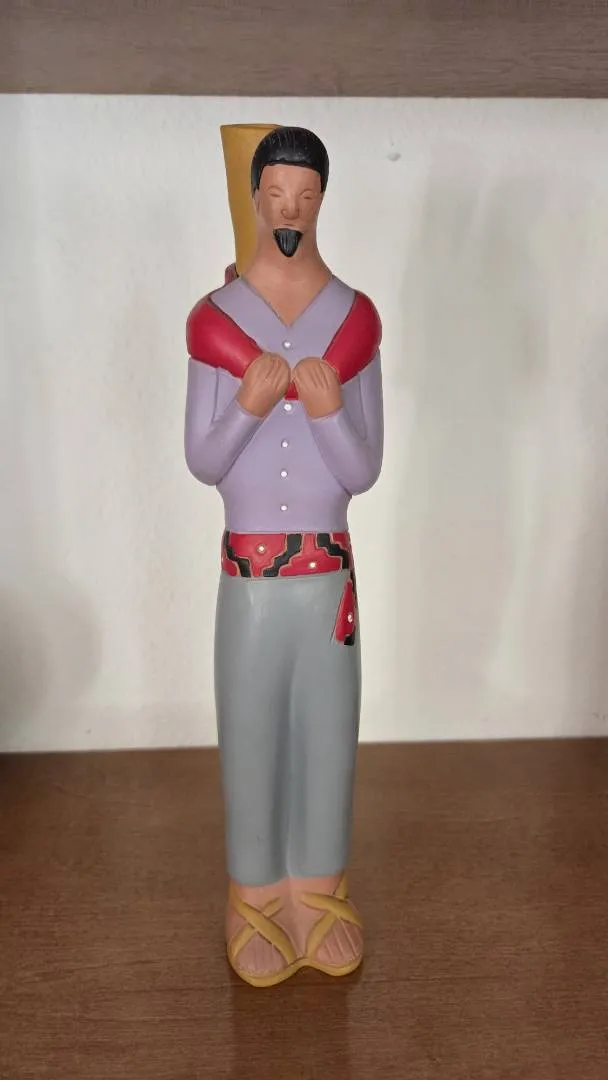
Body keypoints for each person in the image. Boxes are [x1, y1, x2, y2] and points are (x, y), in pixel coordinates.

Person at [184, 125, 384, 987]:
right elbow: (204, 459)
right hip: (252, 575)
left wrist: (331, 412)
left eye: (305, 196)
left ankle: (319, 884)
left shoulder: (354, 318)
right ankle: (256, 891)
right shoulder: (218, 320)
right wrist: (249, 406)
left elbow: (363, 470)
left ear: (322, 200)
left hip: (327, 569)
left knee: (328, 733)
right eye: (276, 195)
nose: (290, 211)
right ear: (256, 199)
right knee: (253, 728)